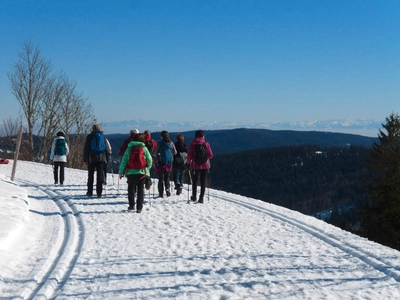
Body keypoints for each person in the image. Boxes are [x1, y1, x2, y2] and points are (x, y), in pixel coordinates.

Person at [118, 133, 152, 213]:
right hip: (141, 172)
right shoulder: (144, 148)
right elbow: (150, 161)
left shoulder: (129, 148)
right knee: (140, 189)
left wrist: (121, 172)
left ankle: (131, 205)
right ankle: (139, 207)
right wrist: (146, 169)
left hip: (130, 172)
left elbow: (124, 161)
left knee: (131, 188)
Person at [186, 130, 213, 203]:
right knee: (203, 181)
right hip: (205, 165)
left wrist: (188, 163)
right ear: (203, 136)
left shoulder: (193, 144)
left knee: (195, 181)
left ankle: (194, 196)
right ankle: (201, 198)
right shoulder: (206, 144)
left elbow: (190, 155)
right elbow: (210, 155)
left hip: (195, 165)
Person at [83, 124, 107, 198]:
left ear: (92, 129)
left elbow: (86, 148)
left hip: (91, 157)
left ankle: (90, 192)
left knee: (90, 175)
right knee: (100, 175)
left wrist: (85, 159)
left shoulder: (90, 136)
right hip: (101, 158)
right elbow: (105, 147)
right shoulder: (102, 136)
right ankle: (99, 193)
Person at [155, 130, 177, 197]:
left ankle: (161, 193)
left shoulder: (159, 143)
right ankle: (167, 190)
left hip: (161, 164)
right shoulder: (171, 143)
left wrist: (157, 157)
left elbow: (156, 152)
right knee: (167, 178)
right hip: (168, 164)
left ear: (161, 136)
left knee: (161, 179)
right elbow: (175, 152)